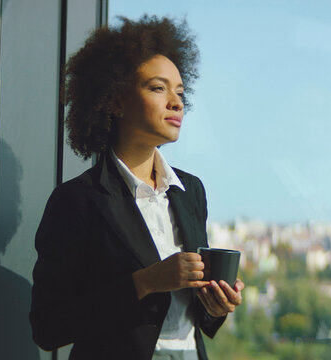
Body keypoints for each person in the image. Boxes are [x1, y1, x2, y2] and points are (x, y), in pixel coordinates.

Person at [30, 15, 244, 360]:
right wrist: (144, 282)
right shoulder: (77, 200)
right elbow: (48, 327)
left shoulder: (190, 190)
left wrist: (216, 305)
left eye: (180, 92)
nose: (176, 103)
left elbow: (195, 317)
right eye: (158, 88)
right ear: (115, 102)